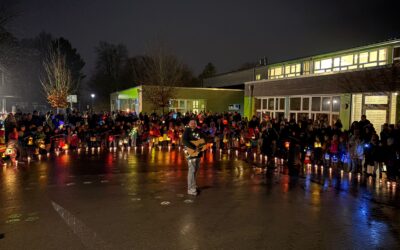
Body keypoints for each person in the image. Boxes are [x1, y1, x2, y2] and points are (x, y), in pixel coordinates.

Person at [182, 119, 205, 196]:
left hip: (198, 153)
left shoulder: (199, 131)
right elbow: (184, 140)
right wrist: (193, 147)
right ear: (189, 124)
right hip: (190, 153)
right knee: (192, 170)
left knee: (196, 170)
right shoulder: (187, 131)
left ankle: (193, 185)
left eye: (194, 123)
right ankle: (190, 189)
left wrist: (201, 147)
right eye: (191, 123)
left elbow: (203, 140)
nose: (193, 124)